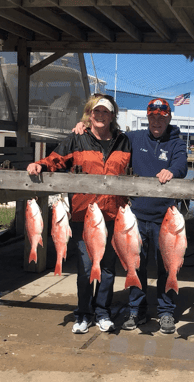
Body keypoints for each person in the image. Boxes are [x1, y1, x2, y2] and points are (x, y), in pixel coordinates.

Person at [73, 98, 188, 334]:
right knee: (135, 264)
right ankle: (137, 309)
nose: (157, 120)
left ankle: (166, 310)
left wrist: (172, 170)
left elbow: (183, 165)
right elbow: (108, 132)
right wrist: (83, 126)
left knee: (168, 264)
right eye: (153, 116)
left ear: (169, 118)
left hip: (165, 217)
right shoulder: (134, 138)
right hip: (135, 216)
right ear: (148, 118)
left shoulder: (176, 143)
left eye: (162, 117)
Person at [27, 94, 131, 334]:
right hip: (84, 216)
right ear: (89, 114)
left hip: (114, 216)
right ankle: (83, 314)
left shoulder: (124, 141)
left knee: (106, 269)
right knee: (85, 268)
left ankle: (103, 312)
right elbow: (57, 159)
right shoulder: (77, 138)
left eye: (106, 112)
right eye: (96, 112)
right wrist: (40, 165)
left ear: (113, 116)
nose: (100, 116)